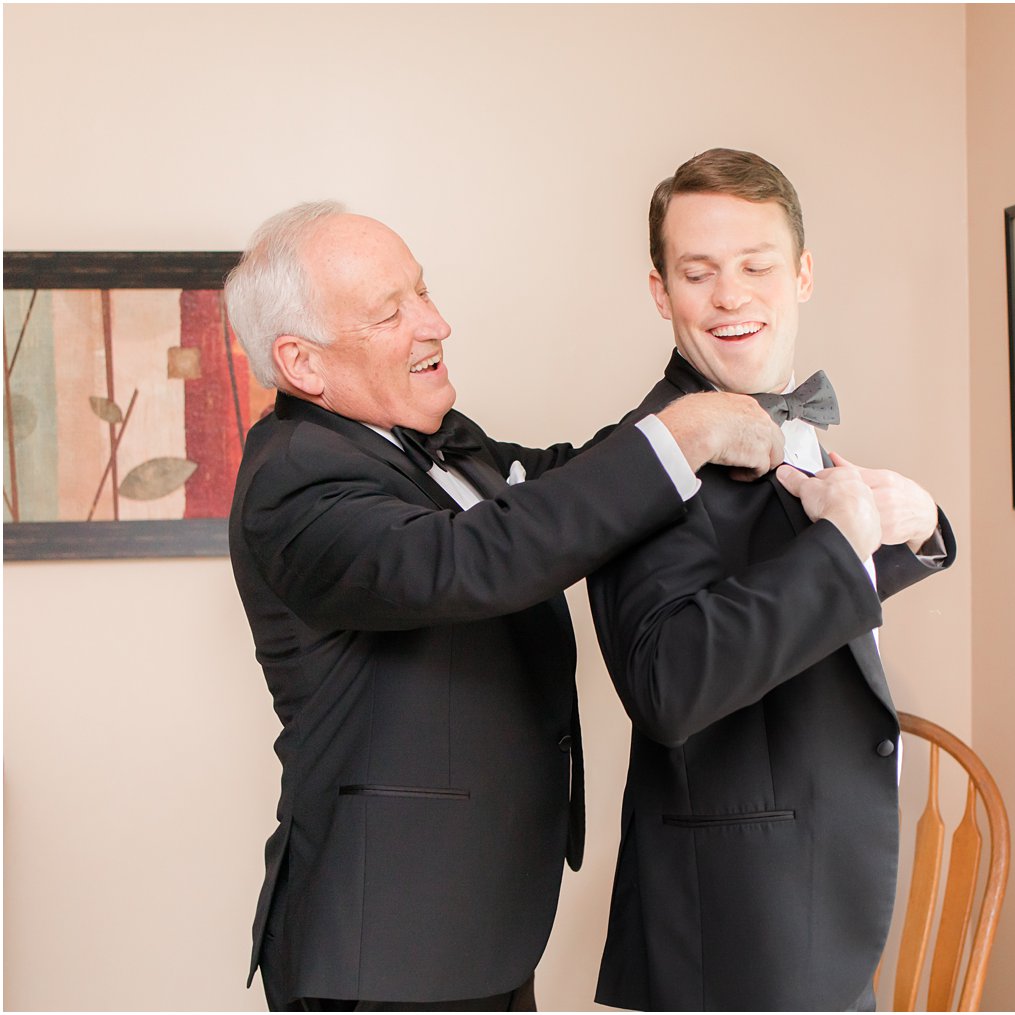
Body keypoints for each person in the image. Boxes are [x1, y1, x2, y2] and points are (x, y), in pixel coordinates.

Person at [224, 201, 784, 1011]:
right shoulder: (294, 479)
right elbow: (469, 562)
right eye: (393, 312)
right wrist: (684, 436)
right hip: (384, 949)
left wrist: (690, 396)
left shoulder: (432, 436)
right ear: (302, 365)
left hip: (469, 926)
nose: (436, 322)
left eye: (423, 291)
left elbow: (562, 483)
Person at [588, 149, 956, 1011]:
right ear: (660, 292)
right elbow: (671, 680)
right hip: (740, 922)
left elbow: (780, 584)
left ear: (802, 274)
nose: (731, 296)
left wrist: (921, 526)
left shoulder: (789, 422)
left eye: (756, 266)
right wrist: (840, 542)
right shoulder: (640, 461)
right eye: (699, 272)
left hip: (823, 899)